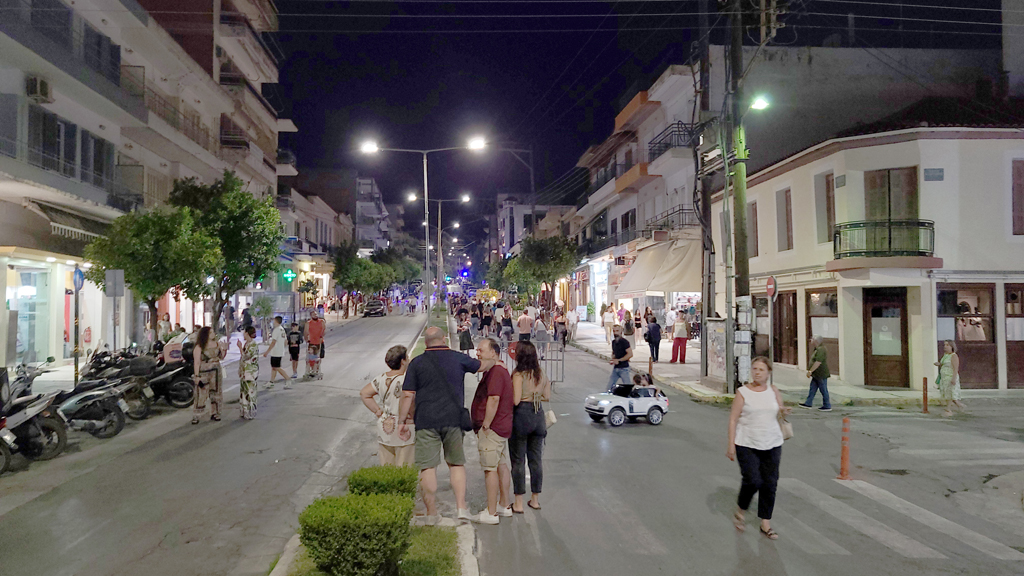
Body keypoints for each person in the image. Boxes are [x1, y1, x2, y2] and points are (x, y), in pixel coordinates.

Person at [397, 327, 495, 522]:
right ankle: (461, 508)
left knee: (427, 467)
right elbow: (482, 366)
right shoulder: (457, 358)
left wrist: (402, 421)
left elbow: (407, 395)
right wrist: (494, 359)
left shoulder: (416, 363)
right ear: (444, 339)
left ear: (426, 342)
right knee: (456, 464)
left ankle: (432, 513)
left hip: (426, 421)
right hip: (453, 419)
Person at [727, 356, 788, 540]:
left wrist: (784, 411)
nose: (757, 373)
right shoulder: (743, 392)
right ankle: (741, 510)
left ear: (768, 373)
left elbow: (780, 410)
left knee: (770, 483)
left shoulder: (773, 390)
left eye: (761, 370)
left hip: (772, 442)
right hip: (747, 442)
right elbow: (733, 419)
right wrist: (731, 444)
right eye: (754, 369)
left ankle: (765, 523)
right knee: (752, 480)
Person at [471, 338, 515, 524]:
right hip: (501, 427)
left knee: (490, 470)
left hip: (493, 429)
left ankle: (491, 513)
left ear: (493, 353)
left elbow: (494, 398)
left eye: (481, 350)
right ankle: (503, 505)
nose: (477, 353)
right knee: (501, 465)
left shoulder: (496, 371)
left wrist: (486, 424)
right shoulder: (498, 369)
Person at [509, 341, 550, 513]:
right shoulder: (541, 373)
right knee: (536, 460)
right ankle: (535, 500)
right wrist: (535, 395)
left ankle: (518, 503)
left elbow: (515, 400)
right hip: (538, 414)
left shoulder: (518, 374)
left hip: (522, 415)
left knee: (518, 460)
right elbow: (547, 396)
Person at [361, 345, 415, 466]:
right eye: (407, 357)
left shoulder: (380, 378)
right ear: (403, 361)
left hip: (385, 426)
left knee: (387, 466)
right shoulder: (407, 380)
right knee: (405, 466)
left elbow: (364, 393)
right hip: (404, 426)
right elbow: (410, 400)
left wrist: (377, 411)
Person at [191, 326, 227, 424]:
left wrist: (224, 349)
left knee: (216, 393)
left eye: (213, 332)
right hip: (204, 373)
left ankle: (215, 413)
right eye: (210, 332)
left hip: (216, 372)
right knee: (201, 394)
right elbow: (197, 362)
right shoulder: (199, 347)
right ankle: (197, 415)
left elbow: (221, 357)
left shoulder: (217, 344)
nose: (213, 334)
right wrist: (196, 376)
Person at [799, 336, 832, 412]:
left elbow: (818, 362)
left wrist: (810, 371)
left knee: (823, 389)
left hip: (821, 373)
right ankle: (808, 403)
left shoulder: (821, 349)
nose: (810, 340)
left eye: (812, 339)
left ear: (816, 341)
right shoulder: (817, 349)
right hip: (816, 374)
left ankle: (827, 405)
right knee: (812, 389)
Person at [935, 339, 965, 417]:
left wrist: (953, 378)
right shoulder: (946, 355)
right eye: (944, 345)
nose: (945, 347)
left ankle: (948, 409)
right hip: (944, 377)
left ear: (952, 346)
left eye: (947, 345)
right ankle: (960, 405)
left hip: (950, 377)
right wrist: (939, 364)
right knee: (947, 393)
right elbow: (944, 363)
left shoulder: (954, 356)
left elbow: (955, 368)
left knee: (950, 393)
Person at [237, 326, 259, 419]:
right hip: (245, 371)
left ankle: (250, 411)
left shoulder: (253, 344)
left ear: (247, 333)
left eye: (244, 332)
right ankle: (244, 410)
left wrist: (240, 348)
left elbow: (245, 356)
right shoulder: (247, 344)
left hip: (250, 371)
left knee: (250, 391)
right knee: (244, 391)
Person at [262, 316, 290, 387]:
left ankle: (288, 379)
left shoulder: (276, 330)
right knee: (274, 367)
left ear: (276, 321)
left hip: (276, 352)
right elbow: (286, 341)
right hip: (280, 351)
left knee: (277, 367)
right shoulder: (282, 329)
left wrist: (267, 352)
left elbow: (273, 342)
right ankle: (271, 381)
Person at [607, 325, 633, 392]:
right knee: (609, 388)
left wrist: (619, 360)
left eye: (617, 331)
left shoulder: (624, 342)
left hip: (624, 368)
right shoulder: (614, 342)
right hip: (616, 368)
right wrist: (613, 359)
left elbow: (630, 354)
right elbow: (614, 353)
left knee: (628, 388)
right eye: (614, 331)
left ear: (621, 331)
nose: (615, 333)